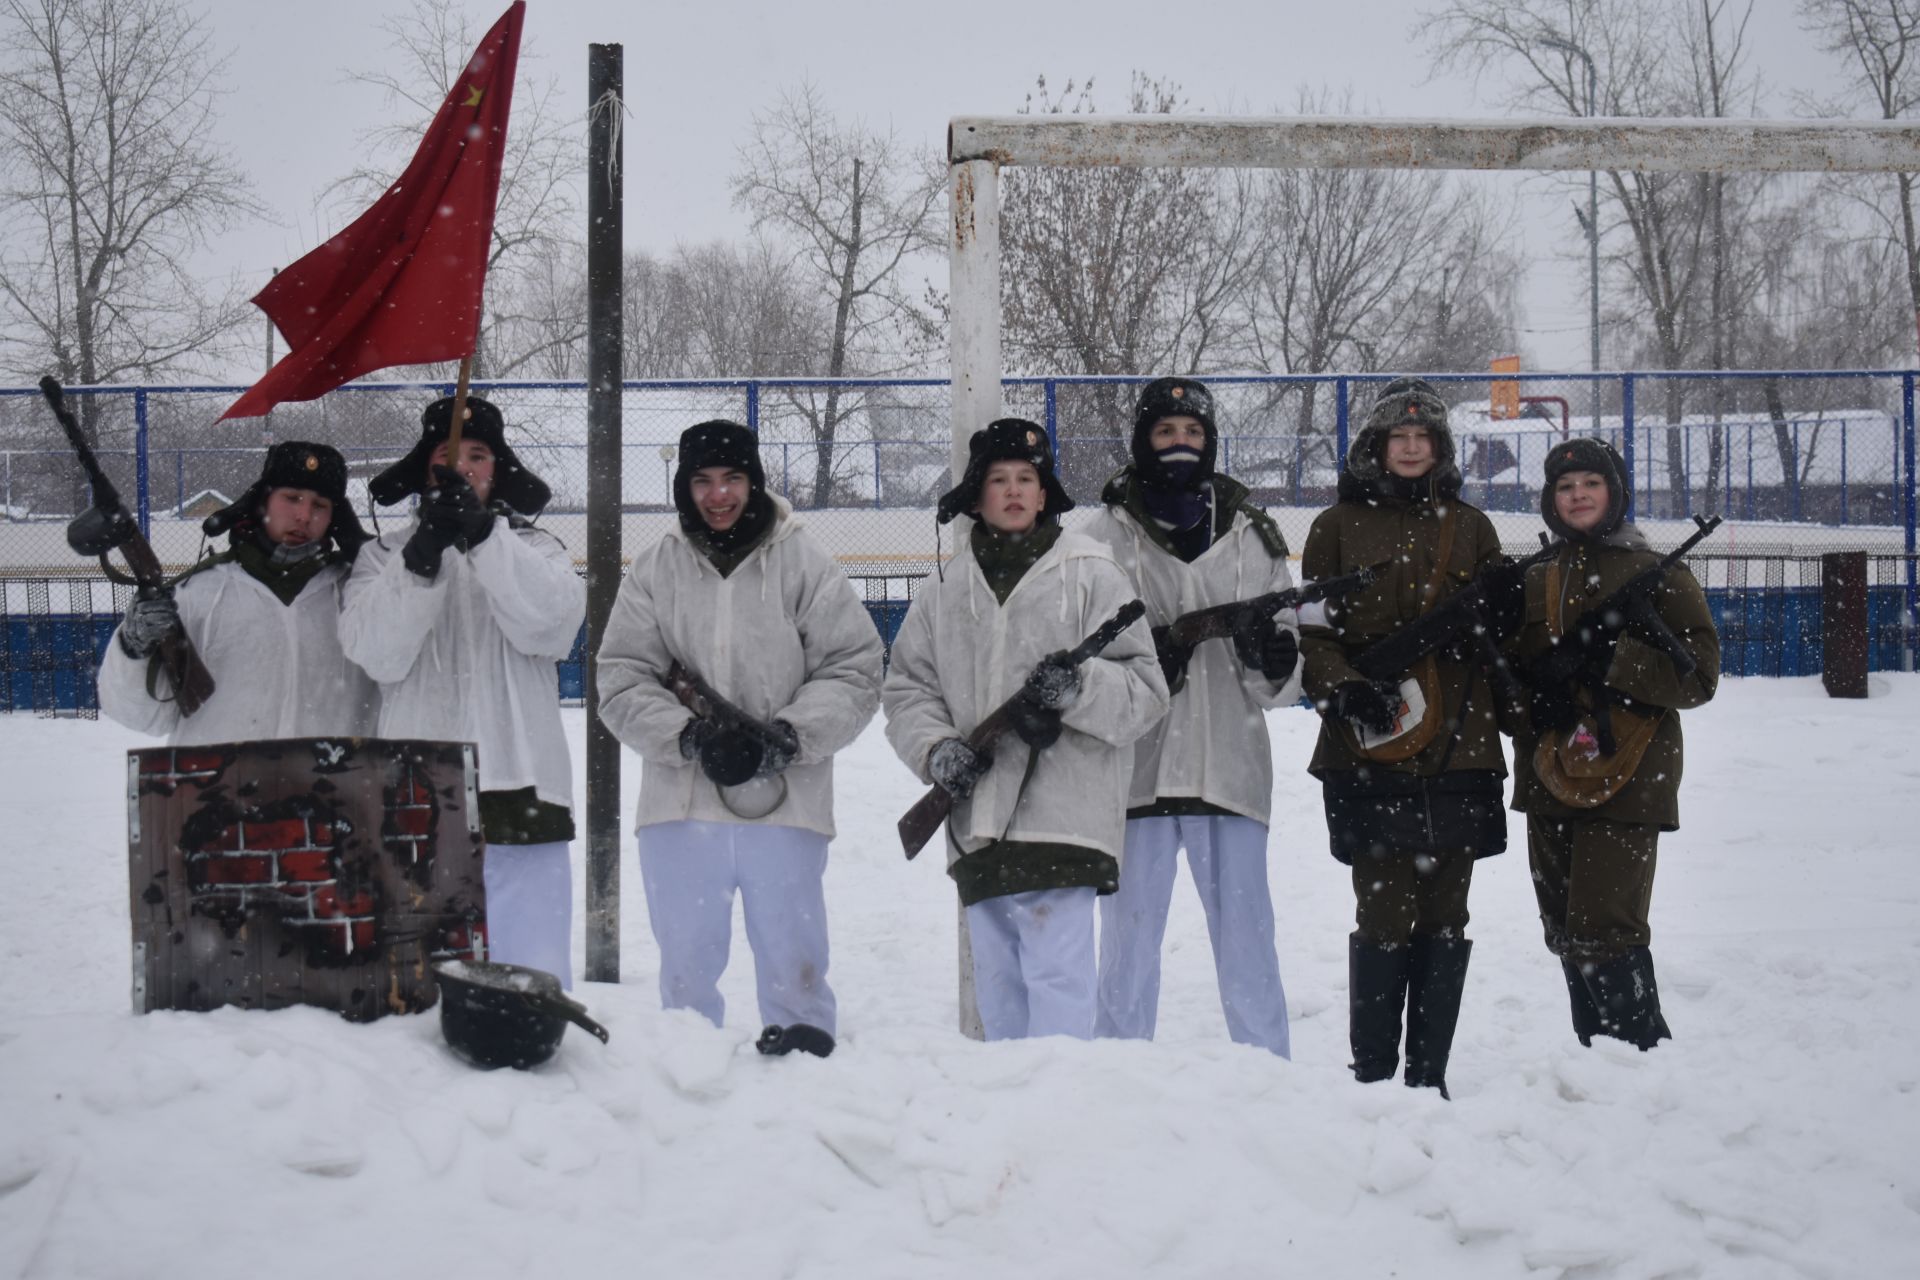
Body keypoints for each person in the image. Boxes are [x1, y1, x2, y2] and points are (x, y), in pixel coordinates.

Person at [595, 420, 884, 1058]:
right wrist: (689, 737)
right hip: (680, 803)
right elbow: (620, 679)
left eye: (731, 479)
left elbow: (856, 667)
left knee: (794, 957)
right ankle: (689, 1078)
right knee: (686, 964)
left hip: (787, 802)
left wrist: (789, 736)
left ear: (753, 481)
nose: (718, 495)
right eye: (703, 480)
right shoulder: (654, 568)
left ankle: (806, 1071)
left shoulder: (804, 561)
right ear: (684, 486)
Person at [882, 418, 1168, 1042]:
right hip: (976, 823)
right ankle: (1012, 1128)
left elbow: (1147, 694)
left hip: (1067, 819)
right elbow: (906, 689)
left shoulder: (1094, 572)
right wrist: (938, 753)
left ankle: (1062, 1127)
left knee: (1060, 990)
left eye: (1026, 479)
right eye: (997, 479)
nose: (1013, 491)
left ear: (1045, 494)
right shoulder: (944, 588)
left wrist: (1078, 691)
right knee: (1000, 993)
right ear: (977, 494)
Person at [1298, 377, 1523, 1097]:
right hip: (1370, 745)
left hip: (1462, 742)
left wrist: (1501, 614)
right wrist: (1344, 687)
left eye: (1424, 439)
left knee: (1447, 913)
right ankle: (1372, 1075)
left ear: (1441, 448)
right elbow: (1312, 631)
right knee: (1384, 908)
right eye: (1400, 438)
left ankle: (1429, 1076)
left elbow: (1504, 635)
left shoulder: (1472, 525)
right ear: (1377, 445)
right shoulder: (1335, 527)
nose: (1412, 449)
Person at [1079, 377, 1299, 1057]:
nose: (1180, 445)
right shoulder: (1099, 538)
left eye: (1193, 433)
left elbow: (1280, 688)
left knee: (1247, 942)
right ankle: (1115, 1080)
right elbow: (1076, 660)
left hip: (1227, 770)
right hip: (1133, 774)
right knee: (1126, 949)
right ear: (1143, 440)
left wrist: (1273, 656)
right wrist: (1148, 668)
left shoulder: (1253, 537)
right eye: (1166, 432)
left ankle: (1270, 1078)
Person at [339, 395, 584, 987]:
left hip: (521, 782)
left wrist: (485, 541)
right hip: (417, 782)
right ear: (426, 471)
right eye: (447, 456)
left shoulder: (537, 548)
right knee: (418, 969)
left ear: (497, 470)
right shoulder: (383, 556)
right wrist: (421, 560)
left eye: (478, 455)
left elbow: (551, 627)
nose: (464, 467)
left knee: (532, 970)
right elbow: (375, 653)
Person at [1509, 438, 1718, 1050]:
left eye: (1590, 484)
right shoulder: (1536, 577)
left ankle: (1639, 1062)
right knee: (1564, 927)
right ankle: (1597, 1064)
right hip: (1547, 771)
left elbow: (1699, 676)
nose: (1577, 495)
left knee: (1605, 927)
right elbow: (1509, 669)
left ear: (1615, 493)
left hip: (1629, 773)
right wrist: (1532, 697)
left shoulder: (1658, 572)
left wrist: (1617, 658)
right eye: (1565, 486)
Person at [99, 440, 375, 744]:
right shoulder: (197, 593)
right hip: (214, 789)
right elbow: (142, 717)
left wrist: (370, 558)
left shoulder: (361, 596)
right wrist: (133, 648)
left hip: (338, 787)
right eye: (292, 498)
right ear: (262, 501)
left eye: (320, 505)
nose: (304, 516)